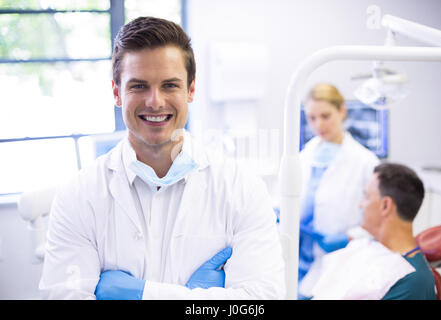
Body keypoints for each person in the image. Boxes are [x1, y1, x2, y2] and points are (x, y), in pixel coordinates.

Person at [39, 16, 285, 300]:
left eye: (170, 85)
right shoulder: (79, 196)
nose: (155, 101)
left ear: (191, 90)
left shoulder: (242, 189)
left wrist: (145, 294)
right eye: (139, 86)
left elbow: (261, 302)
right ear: (117, 93)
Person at [297, 83, 379, 299]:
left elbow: (380, 222)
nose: (318, 124)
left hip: (340, 261)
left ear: (342, 110)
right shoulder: (304, 156)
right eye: (312, 118)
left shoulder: (365, 162)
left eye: (325, 116)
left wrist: (349, 238)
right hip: (299, 261)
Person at [310, 163, 436, 300]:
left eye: (367, 197)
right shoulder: (371, 248)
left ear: (385, 206)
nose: (361, 205)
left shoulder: (412, 283)